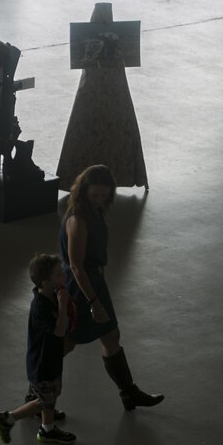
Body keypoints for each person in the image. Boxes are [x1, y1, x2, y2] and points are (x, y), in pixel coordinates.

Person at [60, 164, 164, 411]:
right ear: (84, 190)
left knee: (110, 335)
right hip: (82, 286)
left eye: (104, 195)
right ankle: (36, 394)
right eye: (95, 194)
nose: (99, 199)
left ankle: (128, 393)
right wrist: (94, 302)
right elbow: (76, 267)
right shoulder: (78, 220)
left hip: (93, 281)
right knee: (67, 342)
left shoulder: (93, 211)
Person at [56, 3, 148, 192]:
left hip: (97, 88)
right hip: (113, 89)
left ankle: (75, 178)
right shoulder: (111, 50)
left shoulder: (96, 47)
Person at [0, 253, 77, 445]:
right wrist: (63, 307)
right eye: (58, 275)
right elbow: (58, 331)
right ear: (46, 282)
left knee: (49, 393)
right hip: (43, 362)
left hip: (49, 358)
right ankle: (15, 420)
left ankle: (39, 407)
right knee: (46, 400)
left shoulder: (51, 296)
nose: (63, 276)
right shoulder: (40, 306)